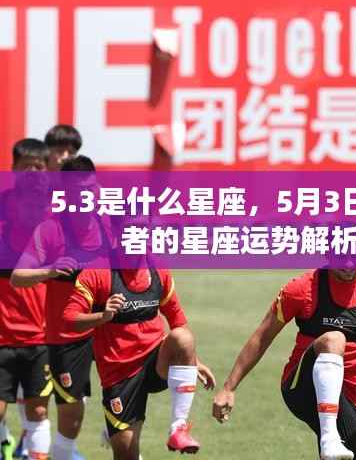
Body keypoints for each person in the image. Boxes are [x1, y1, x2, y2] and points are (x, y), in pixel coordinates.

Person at [213, 267, 356, 460]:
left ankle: (331, 441)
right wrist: (229, 388)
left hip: (350, 396)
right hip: (302, 386)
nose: (348, 264)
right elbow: (262, 336)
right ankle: (329, 438)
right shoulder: (303, 288)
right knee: (333, 339)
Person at [62, 222, 215, 460]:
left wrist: (193, 361)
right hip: (119, 373)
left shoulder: (157, 269)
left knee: (183, 337)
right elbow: (70, 318)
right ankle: (114, 431)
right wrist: (102, 316)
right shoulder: (99, 270)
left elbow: (177, 319)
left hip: (155, 360)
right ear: (118, 233)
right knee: (126, 453)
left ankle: (178, 429)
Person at [11, 156, 110, 460]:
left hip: (109, 329)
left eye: (90, 189)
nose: (86, 197)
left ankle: (120, 437)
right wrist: (50, 271)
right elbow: (17, 276)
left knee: (129, 396)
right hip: (68, 336)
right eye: (78, 192)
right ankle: (62, 452)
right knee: (71, 415)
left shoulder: (110, 224)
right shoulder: (50, 229)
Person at [0, 140, 51, 460]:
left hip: (41, 335)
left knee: (39, 411)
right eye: (26, 166)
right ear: (14, 169)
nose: (32, 172)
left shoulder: (59, 215)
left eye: (39, 167)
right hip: (2, 334)